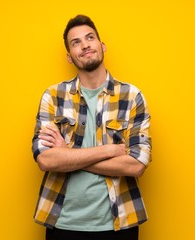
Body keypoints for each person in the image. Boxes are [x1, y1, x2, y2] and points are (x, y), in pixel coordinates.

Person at [32, 14, 152, 240]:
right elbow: (46, 160)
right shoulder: (53, 96)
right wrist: (110, 150)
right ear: (69, 57)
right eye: (76, 42)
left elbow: (136, 164)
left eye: (90, 38)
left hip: (119, 224)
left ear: (102, 45)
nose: (85, 45)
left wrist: (67, 155)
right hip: (62, 223)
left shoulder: (132, 96)